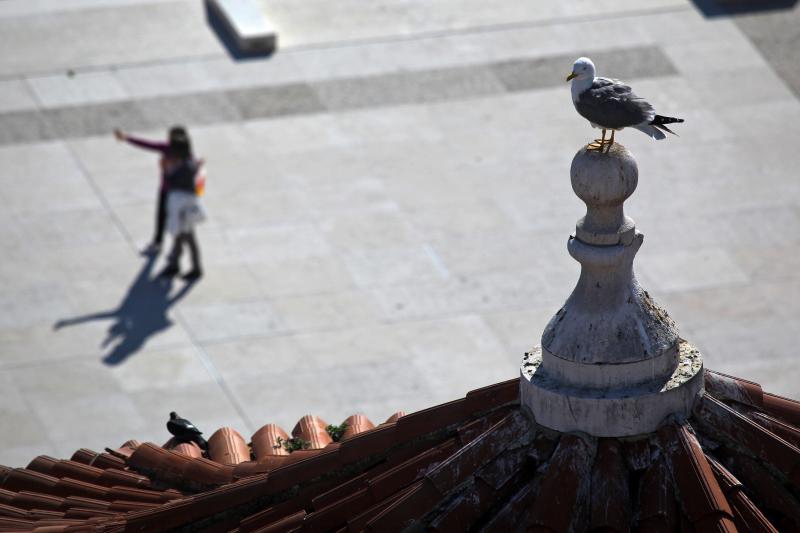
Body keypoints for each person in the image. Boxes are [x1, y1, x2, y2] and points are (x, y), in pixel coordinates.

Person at [114, 126, 187, 254]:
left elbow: (148, 145)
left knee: (163, 217)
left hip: (168, 190)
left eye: (169, 136)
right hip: (178, 191)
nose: (167, 138)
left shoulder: (168, 148)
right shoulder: (187, 152)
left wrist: (127, 138)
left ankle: (161, 244)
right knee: (174, 218)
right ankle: (172, 245)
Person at [159, 132, 205, 281]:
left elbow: (173, 183)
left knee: (188, 238)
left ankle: (195, 269)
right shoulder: (187, 163)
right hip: (182, 207)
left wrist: (165, 170)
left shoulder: (184, 167)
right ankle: (174, 264)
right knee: (179, 238)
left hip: (183, 209)